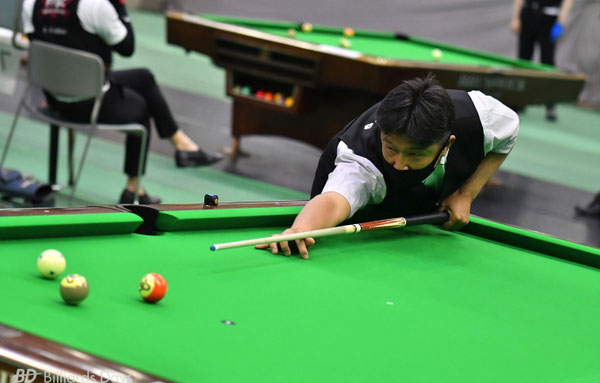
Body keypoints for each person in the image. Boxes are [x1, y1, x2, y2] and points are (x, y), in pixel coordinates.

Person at [256, 75, 519, 259]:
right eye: (391, 148)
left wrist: (465, 194)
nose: (400, 164)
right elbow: (335, 200)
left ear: (446, 145)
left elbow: (510, 130)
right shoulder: (361, 161)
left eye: (415, 154)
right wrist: (301, 229)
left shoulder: (480, 118)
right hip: (357, 220)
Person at [21, 0, 222, 204]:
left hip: (54, 97)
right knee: (141, 106)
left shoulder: (32, 3)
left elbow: (37, 46)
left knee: (144, 78)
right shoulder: (96, 6)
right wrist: (119, 5)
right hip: (88, 103)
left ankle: (182, 144)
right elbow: (127, 47)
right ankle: (133, 189)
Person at [510, 0, 573, 121]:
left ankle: (550, 104)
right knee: (523, 61)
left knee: (547, 62)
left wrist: (561, 22)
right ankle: (518, 101)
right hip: (528, 14)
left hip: (549, 19)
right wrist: (516, 17)